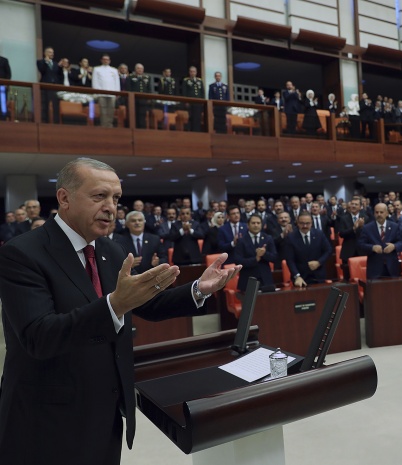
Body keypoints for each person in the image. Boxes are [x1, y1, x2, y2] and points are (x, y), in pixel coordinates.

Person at [0, 158, 240, 464]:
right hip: (46, 418)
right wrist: (115, 305)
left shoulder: (108, 250)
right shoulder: (22, 253)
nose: (111, 207)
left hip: (105, 411)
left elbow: (147, 304)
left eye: (115, 199)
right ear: (64, 198)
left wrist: (198, 289)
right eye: (99, 196)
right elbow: (39, 336)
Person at [284, 211, 332, 287]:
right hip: (301, 278)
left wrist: (319, 262)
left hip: (318, 276)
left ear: (311, 223)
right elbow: (290, 260)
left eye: (307, 223)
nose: (305, 226)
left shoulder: (319, 234)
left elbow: (328, 250)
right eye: (302, 223)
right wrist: (297, 276)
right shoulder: (291, 237)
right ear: (297, 223)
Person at [357, 203, 402, 279]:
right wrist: (372, 247)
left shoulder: (394, 226)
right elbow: (360, 244)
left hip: (392, 266)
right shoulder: (367, 228)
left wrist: (394, 246)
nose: (379, 214)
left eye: (381, 212)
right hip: (374, 268)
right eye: (376, 212)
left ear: (387, 213)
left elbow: (401, 242)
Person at [234, 214, 277, 291]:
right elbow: (238, 261)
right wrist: (255, 259)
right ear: (248, 225)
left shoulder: (268, 238)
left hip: (265, 279)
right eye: (253, 223)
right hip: (247, 279)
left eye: (258, 223)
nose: (256, 225)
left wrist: (264, 254)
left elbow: (274, 258)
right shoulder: (241, 241)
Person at [92, 54, 119, 128]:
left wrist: (117, 92)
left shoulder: (114, 70)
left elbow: (116, 82)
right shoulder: (97, 69)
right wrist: (96, 92)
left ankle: (110, 125)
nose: (106, 61)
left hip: (112, 93)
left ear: (109, 61)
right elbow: (95, 81)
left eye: (107, 59)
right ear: (101, 60)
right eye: (104, 59)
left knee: (111, 110)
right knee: (103, 110)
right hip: (101, 93)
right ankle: (103, 125)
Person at [36, 47, 62, 123]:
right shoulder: (40, 62)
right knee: (45, 105)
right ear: (45, 53)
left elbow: (59, 75)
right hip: (45, 86)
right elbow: (42, 70)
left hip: (55, 87)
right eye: (50, 52)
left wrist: (60, 67)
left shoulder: (55, 64)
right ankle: (46, 121)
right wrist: (46, 62)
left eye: (53, 52)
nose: (52, 54)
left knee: (55, 105)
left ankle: (56, 121)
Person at [182, 66, 204, 131]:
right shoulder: (186, 80)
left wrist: (202, 101)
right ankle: (190, 131)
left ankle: (197, 131)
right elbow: (184, 91)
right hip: (190, 102)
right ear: (189, 72)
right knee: (190, 117)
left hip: (198, 103)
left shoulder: (200, 81)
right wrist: (186, 101)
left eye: (194, 71)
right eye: (191, 71)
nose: (192, 73)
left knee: (197, 118)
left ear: (196, 72)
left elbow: (202, 92)